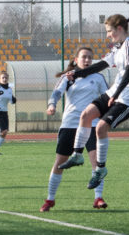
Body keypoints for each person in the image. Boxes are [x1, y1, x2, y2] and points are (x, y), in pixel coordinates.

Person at [58, 4, 129, 190]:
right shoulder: (118, 47)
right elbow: (100, 66)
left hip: (128, 99)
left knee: (101, 127)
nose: (107, 35)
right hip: (115, 93)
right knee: (86, 115)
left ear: (119, 29)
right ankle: (77, 155)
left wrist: (116, 94)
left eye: (109, 31)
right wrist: (76, 74)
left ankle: (100, 169)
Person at [40, 47, 109, 212]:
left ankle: (98, 198)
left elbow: (108, 97)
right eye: (84, 57)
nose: (87, 60)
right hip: (70, 124)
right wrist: (51, 105)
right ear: (76, 59)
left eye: (90, 57)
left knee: (96, 161)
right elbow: (56, 93)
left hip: (92, 124)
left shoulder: (98, 77)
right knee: (60, 162)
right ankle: (50, 199)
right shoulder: (69, 76)